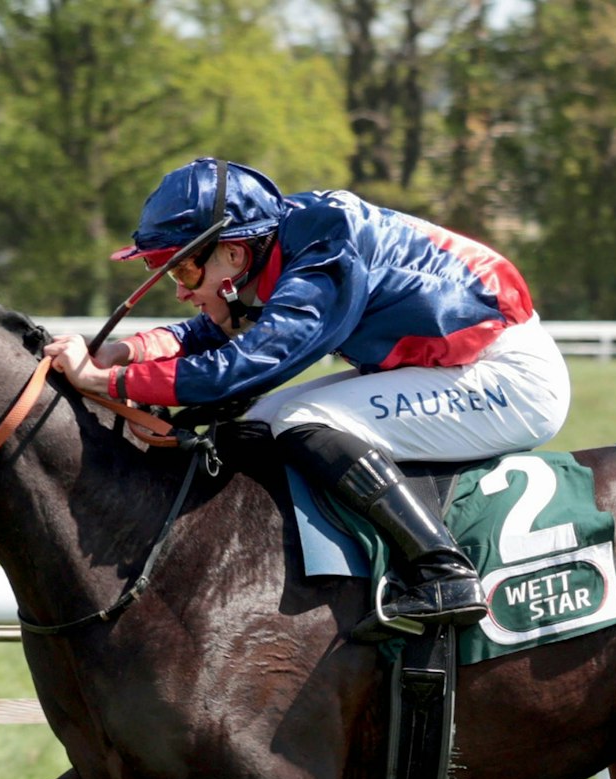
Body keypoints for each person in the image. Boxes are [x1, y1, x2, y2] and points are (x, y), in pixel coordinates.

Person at [45, 157, 570, 634]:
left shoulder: (327, 256)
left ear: (233, 251)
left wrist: (105, 382)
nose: (180, 289)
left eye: (182, 268)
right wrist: (130, 351)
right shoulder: (280, 244)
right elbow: (231, 327)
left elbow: (245, 365)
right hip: (451, 368)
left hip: (505, 380)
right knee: (256, 422)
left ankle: (443, 572)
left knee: (300, 417)